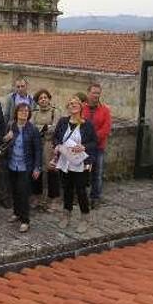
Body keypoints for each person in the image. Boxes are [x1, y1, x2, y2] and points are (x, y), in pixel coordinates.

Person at [52, 96, 98, 233]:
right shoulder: (62, 121)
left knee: (81, 190)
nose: (73, 106)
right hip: (65, 161)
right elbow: (55, 138)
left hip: (80, 162)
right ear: (68, 107)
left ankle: (85, 218)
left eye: (76, 103)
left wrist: (83, 146)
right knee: (66, 189)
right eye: (70, 104)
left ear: (81, 107)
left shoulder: (87, 124)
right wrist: (57, 145)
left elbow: (94, 142)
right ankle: (66, 215)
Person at [2, 103, 42, 232]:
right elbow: (3, 142)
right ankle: (17, 213)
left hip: (26, 166)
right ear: (16, 112)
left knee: (24, 193)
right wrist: (6, 138)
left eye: (26, 111)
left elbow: (38, 150)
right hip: (12, 164)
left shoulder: (33, 129)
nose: (24, 113)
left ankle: (25, 220)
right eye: (21, 110)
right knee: (14, 190)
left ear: (29, 114)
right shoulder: (10, 126)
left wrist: (37, 167)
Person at [82, 84, 112, 208]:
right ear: (88, 93)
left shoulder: (105, 110)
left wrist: (93, 139)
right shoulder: (82, 108)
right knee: (82, 172)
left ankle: (95, 197)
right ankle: (81, 196)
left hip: (98, 147)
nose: (96, 95)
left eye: (98, 93)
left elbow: (106, 129)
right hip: (83, 147)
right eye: (94, 93)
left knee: (97, 173)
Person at [31, 89, 59, 212]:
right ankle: (37, 197)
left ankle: (53, 200)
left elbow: (55, 128)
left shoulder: (55, 112)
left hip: (50, 145)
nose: (43, 100)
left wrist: (41, 128)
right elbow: (31, 127)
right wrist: (45, 127)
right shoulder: (34, 112)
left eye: (45, 97)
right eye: (40, 98)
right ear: (37, 101)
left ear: (49, 99)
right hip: (37, 145)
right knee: (37, 171)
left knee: (52, 171)